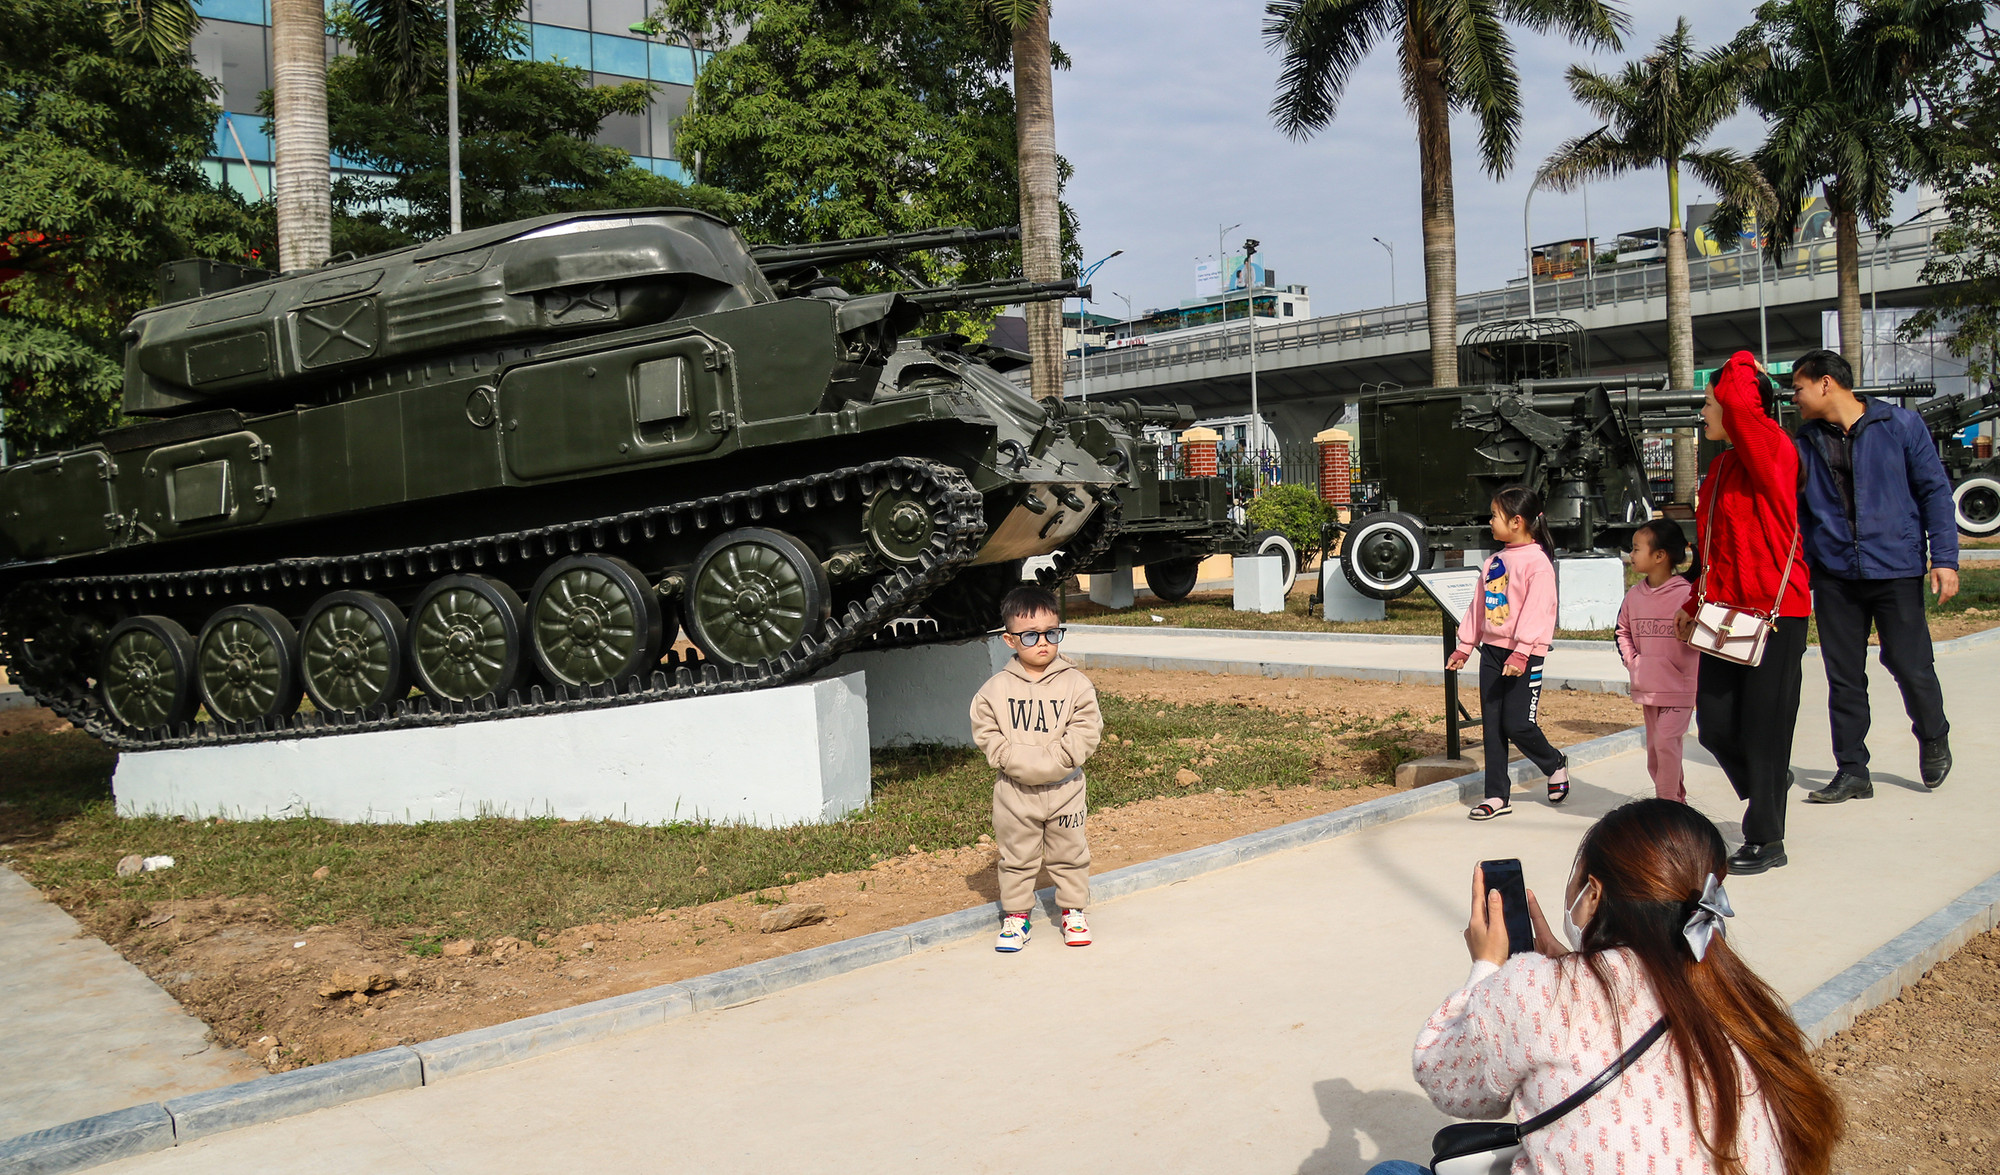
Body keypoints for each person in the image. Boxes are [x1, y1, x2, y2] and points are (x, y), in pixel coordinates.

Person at [1365, 799, 1843, 1175]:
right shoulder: (1741, 999)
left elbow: (1448, 1082)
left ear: (1592, 893)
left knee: (1392, 1172)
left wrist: (1487, 968)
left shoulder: (1535, 989)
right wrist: (1571, 972)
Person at [1790, 348, 1957, 803]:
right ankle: (1852, 770)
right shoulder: (1805, 441)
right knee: (1844, 676)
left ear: (1826, 383)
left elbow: (1934, 492)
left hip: (1895, 567)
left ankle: (1934, 735)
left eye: (1799, 388)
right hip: (1834, 574)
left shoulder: (1900, 425)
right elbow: (1799, 511)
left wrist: (1944, 558)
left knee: (1910, 664)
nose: (1795, 398)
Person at [1676, 352, 1811, 875]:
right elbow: (1715, 551)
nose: (1703, 413)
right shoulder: (1720, 467)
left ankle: (1767, 838)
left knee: (1763, 729)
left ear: (1738, 408)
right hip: (1724, 613)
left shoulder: (1772, 450)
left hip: (1776, 613)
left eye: (1710, 403)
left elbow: (1739, 394)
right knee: (1714, 726)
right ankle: (1769, 781)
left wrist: (1741, 364)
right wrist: (1693, 603)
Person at [969, 584, 1103, 952]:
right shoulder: (994, 690)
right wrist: (1011, 760)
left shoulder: (1077, 685)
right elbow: (986, 732)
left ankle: (1073, 912)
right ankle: (1016, 917)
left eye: (1051, 633)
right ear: (1010, 640)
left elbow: (1086, 730)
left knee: (1070, 853)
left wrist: (1059, 761)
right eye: (1030, 635)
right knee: (1016, 857)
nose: (1042, 642)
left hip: (1065, 790)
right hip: (1015, 793)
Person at [1446, 486, 1566, 821]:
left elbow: (1537, 612)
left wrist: (1522, 653)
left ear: (1517, 522)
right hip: (1493, 652)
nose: (1490, 521)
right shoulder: (1494, 561)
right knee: (1493, 727)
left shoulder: (1538, 564)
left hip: (1525, 656)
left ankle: (1554, 763)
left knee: (1518, 725)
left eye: (1495, 516)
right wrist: (1465, 645)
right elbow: (1480, 606)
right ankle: (1497, 795)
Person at [1617, 518, 1700, 802]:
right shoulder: (1633, 595)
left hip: (1680, 688)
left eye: (1636, 548)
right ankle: (1676, 801)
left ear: (1660, 555)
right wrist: (1634, 663)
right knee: (1655, 752)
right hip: (1648, 687)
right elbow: (1622, 631)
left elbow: (1703, 635)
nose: (1631, 554)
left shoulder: (1687, 595)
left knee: (1665, 743)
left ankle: (1666, 807)